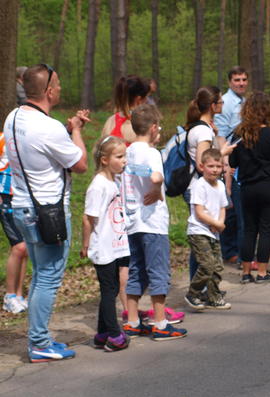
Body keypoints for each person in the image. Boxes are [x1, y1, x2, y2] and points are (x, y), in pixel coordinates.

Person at [3, 63, 90, 362]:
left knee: (41, 274)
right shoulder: (49, 128)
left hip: (22, 207)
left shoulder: (13, 117)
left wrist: (66, 130)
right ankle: (39, 342)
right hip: (48, 212)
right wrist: (76, 132)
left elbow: (39, 146)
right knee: (49, 277)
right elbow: (80, 164)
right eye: (59, 84)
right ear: (49, 91)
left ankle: (39, 338)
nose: (61, 88)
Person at [122, 104, 187, 341]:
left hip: (132, 221)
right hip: (152, 222)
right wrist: (157, 187)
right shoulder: (152, 153)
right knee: (158, 270)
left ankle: (132, 321)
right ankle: (160, 323)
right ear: (153, 128)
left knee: (136, 270)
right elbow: (156, 176)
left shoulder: (128, 151)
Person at [228, 92, 270, 284]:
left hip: (248, 188)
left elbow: (232, 161)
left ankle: (246, 273)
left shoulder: (240, 135)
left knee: (249, 230)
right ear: (266, 110)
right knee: (266, 230)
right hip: (269, 186)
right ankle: (262, 272)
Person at [81, 136, 130, 352]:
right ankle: (114, 334)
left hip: (115, 244)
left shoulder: (113, 181)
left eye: (124, 156)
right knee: (109, 290)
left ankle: (102, 333)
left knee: (112, 288)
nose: (124, 160)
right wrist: (85, 245)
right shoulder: (98, 185)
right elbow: (87, 218)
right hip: (102, 246)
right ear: (104, 160)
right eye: (119, 157)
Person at [184, 86, 235, 277]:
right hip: (200, 189)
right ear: (213, 106)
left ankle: (203, 284)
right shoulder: (203, 132)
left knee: (204, 239)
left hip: (204, 188)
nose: (222, 105)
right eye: (220, 102)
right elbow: (201, 163)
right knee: (202, 239)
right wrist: (223, 152)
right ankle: (199, 286)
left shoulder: (204, 129)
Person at [184, 148, 231, 310]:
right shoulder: (199, 185)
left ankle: (214, 297)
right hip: (198, 231)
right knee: (207, 264)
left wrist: (220, 223)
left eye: (218, 166)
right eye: (211, 166)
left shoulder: (220, 185)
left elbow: (222, 207)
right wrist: (216, 224)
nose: (215, 170)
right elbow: (199, 212)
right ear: (202, 166)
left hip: (214, 232)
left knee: (217, 267)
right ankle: (193, 293)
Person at [216, 66, 248, 266]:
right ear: (230, 82)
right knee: (230, 208)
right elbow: (220, 135)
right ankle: (228, 251)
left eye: (244, 79)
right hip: (228, 158)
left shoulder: (243, 101)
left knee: (236, 208)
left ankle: (235, 248)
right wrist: (226, 162)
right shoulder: (226, 102)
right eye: (237, 80)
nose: (241, 83)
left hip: (241, 157)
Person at [0, 133, 29, 313]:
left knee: (26, 248)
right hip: (5, 196)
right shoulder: (2, 138)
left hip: (22, 197)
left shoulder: (27, 137)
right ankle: (9, 296)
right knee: (19, 247)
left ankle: (19, 295)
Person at [101, 75, 150, 144]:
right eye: (146, 97)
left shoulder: (110, 121)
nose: (147, 101)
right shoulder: (143, 124)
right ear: (138, 99)